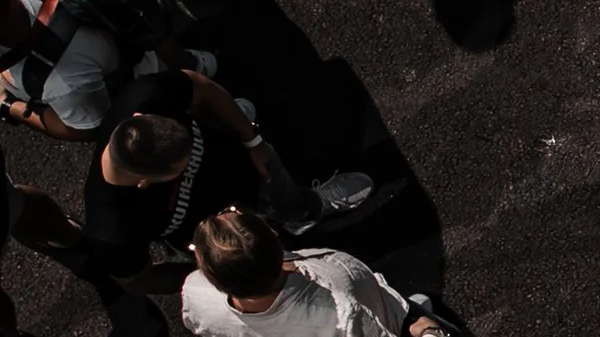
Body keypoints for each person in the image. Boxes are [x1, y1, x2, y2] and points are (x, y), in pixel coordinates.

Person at [180, 205, 530, 337]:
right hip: (380, 330)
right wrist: (431, 332)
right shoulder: (338, 314)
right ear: (273, 241)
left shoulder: (195, 294)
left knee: (398, 320)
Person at [77, 90, 376, 287]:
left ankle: (303, 210)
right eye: (184, 167)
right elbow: (140, 281)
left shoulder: (143, 97)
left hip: (249, 168)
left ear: (141, 119)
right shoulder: (112, 230)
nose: (196, 154)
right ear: (145, 183)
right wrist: (219, 272)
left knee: (282, 187)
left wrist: (252, 141)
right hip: (217, 233)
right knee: (273, 272)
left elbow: (201, 87)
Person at [0, 0, 188, 138]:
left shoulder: (61, 83)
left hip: (147, 84)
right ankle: (195, 63)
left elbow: (87, 128)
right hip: (138, 24)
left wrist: (8, 104)